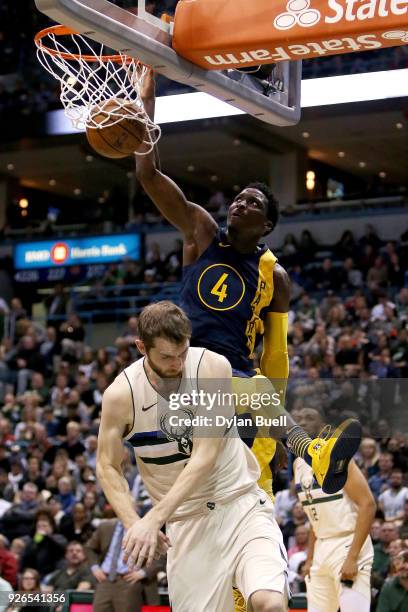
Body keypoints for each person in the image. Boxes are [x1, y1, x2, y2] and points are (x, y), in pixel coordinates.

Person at [135, 70, 362, 498]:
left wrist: (268, 431)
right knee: (251, 395)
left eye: (252, 202)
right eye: (238, 198)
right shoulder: (201, 233)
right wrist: (147, 99)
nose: (239, 203)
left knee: (241, 483)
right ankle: (311, 451)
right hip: (185, 363)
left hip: (238, 377)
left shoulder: (274, 277)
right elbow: (148, 175)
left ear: (268, 224)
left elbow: (275, 354)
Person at [97, 301, 289, 612]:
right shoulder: (120, 395)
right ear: (141, 347)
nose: (177, 363)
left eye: (183, 352)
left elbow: (205, 456)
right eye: (167, 357)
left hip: (239, 504)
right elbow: (107, 466)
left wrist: (154, 519)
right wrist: (135, 524)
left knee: (269, 603)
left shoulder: (213, 367)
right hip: (186, 525)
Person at [294, 407, 376, 612]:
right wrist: (311, 557)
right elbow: (316, 517)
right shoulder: (298, 464)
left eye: (309, 417)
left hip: (348, 542)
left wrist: (353, 557)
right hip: (322, 546)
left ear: (323, 426)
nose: (302, 421)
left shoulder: (337, 458)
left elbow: (368, 504)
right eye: (299, 419)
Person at [85, 517, 162, 611]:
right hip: (104, 579)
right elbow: (89, 548)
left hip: (129, 581)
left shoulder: (146, 528)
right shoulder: (105, 526)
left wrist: (142, 573)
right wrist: (95, 568)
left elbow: (162, 555)